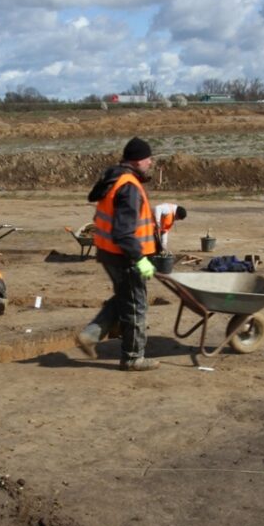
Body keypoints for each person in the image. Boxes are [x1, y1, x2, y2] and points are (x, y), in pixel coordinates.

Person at [76, 137, 160, 371]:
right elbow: (124, 233)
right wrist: (141, 259)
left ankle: (91, 335)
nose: (150, 163)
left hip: (107, 252)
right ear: (137, 161)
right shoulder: (129, 187)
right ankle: (133, 357)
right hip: (125, 256)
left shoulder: (113, 178)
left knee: (125, 297)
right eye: (148, 159)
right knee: (136, 304)